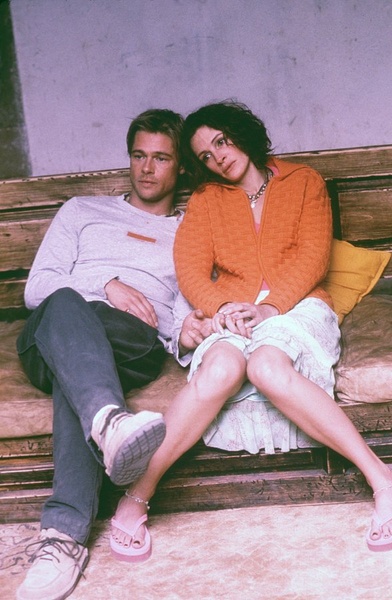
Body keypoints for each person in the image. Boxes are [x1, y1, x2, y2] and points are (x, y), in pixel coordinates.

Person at [111, 100, 392, 560]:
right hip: (232, 310)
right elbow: (189, 269)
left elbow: (313, 256)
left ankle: (385, 483)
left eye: (221, 141)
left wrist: (270, 307)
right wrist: (221, 308)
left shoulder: (303, 182)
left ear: (240, 133)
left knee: (266, 366)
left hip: (299, 305)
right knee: (220, 369)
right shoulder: (207, 200)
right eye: (205, 155)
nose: (218, 157)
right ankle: (136, 496)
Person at [16, 108, 211, 600]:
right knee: (67, 304)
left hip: (132, 341)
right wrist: (107, 283)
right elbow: (38, 288)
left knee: (78, 374)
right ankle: (107, 422)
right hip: (54, 330)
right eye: (138, 155)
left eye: (161, 158)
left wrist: (189, 331)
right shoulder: (82, 210)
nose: (147, 168)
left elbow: (178, 320)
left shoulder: (188, 232)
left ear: (181, 167)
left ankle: (62, 539)